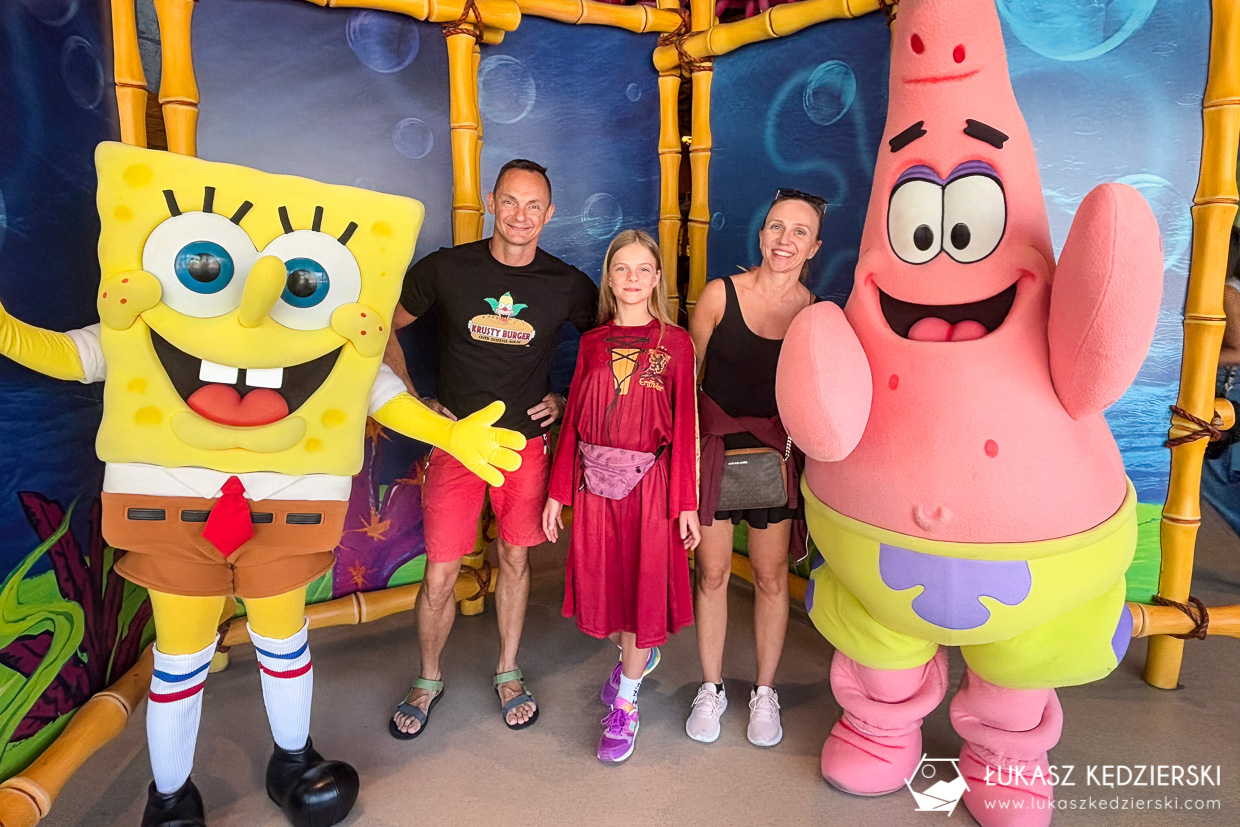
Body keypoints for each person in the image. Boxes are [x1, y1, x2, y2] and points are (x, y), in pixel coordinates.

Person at [385, 160, 599, 736]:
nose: (520, 216)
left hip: (524, 446)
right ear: (489, 202)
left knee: (515, 558)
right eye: (510, 201)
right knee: (440, 573)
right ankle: (428, 678)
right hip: (457, 444)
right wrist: (415, 403)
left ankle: (508, 670)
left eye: (533, 206)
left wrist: (566, 398)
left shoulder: (569, 285)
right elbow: (379, 326)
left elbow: (610, 349)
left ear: (549, 215)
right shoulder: (446, 268)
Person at [542, 229, 701, 763]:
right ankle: (636, 658)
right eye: (622, 269)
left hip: (650, 489)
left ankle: (627, 704)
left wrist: (686, 503)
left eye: (643, 269)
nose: (633, 279)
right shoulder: (592, 344)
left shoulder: (675, 344)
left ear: (657, 279)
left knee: (642, 594)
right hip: (595, 489)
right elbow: (572, 424)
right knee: (608, 594)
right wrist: (558, 493)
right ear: (609, 279)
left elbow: (686, 428)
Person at [685, 189, 824, 747]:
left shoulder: (816, 315)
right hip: (715, 455)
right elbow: (685, 384)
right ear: (762, 234)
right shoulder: (719, 295)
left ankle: (765, 692)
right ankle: (711, 687)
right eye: (776, 227)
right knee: (712, 575)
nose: (784, 240)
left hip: (777, 461)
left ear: (814, 247)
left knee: (770, 579)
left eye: (799, 232)